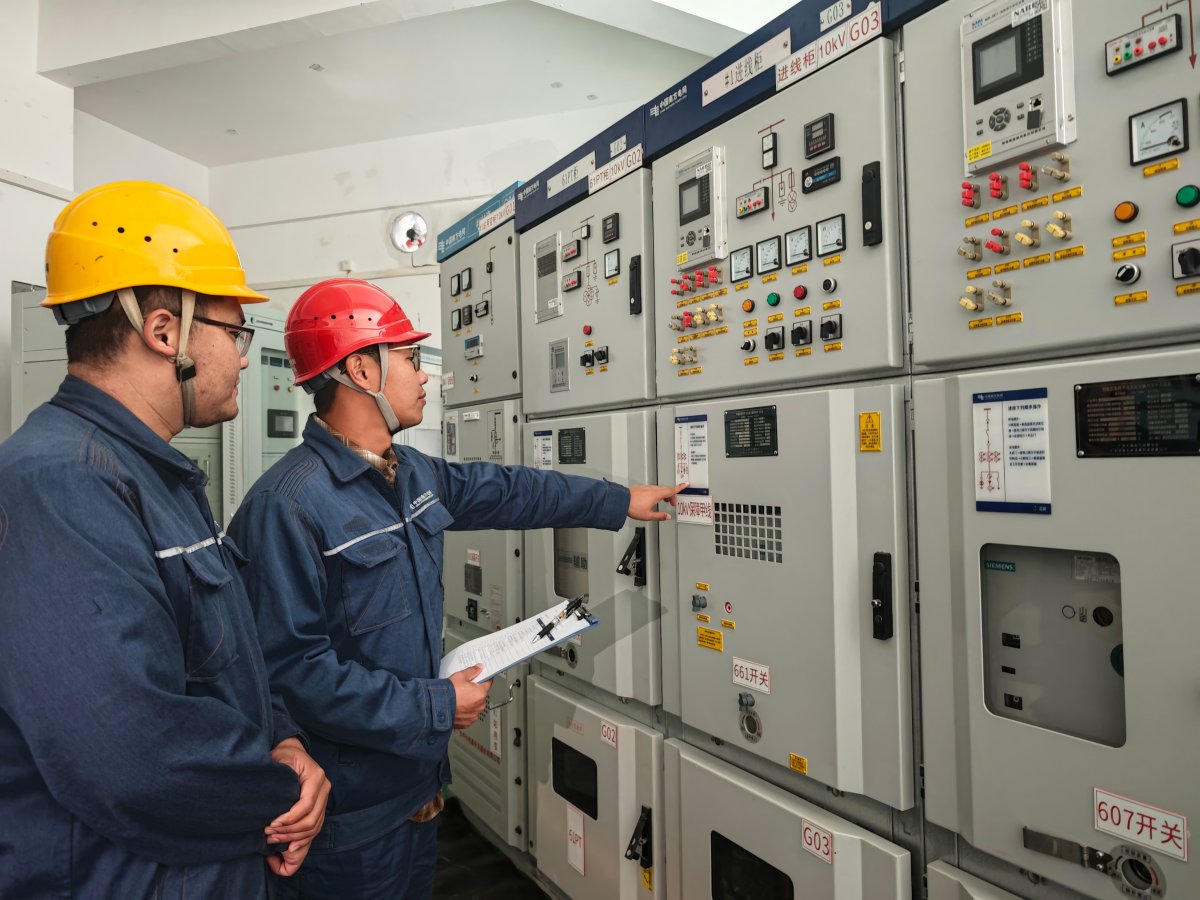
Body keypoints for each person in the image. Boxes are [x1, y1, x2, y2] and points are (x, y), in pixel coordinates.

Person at [228, 278, 685, 899]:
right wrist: (438, 707)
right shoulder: (288, 506)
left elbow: (512, 492)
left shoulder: (411, 472)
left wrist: (617, 500)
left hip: (419, 796)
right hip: (348, 826)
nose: (425, 375)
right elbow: (292, 674)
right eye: (410, 357)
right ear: (361, 370)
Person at [0, 181, 331, 899]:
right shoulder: (62, 483)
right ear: (163, 331)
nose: (244, 358)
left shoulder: (153, 474)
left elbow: (220, 659)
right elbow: (128, 754)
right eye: (235, 334)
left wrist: (283, 738)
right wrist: (282, 795)